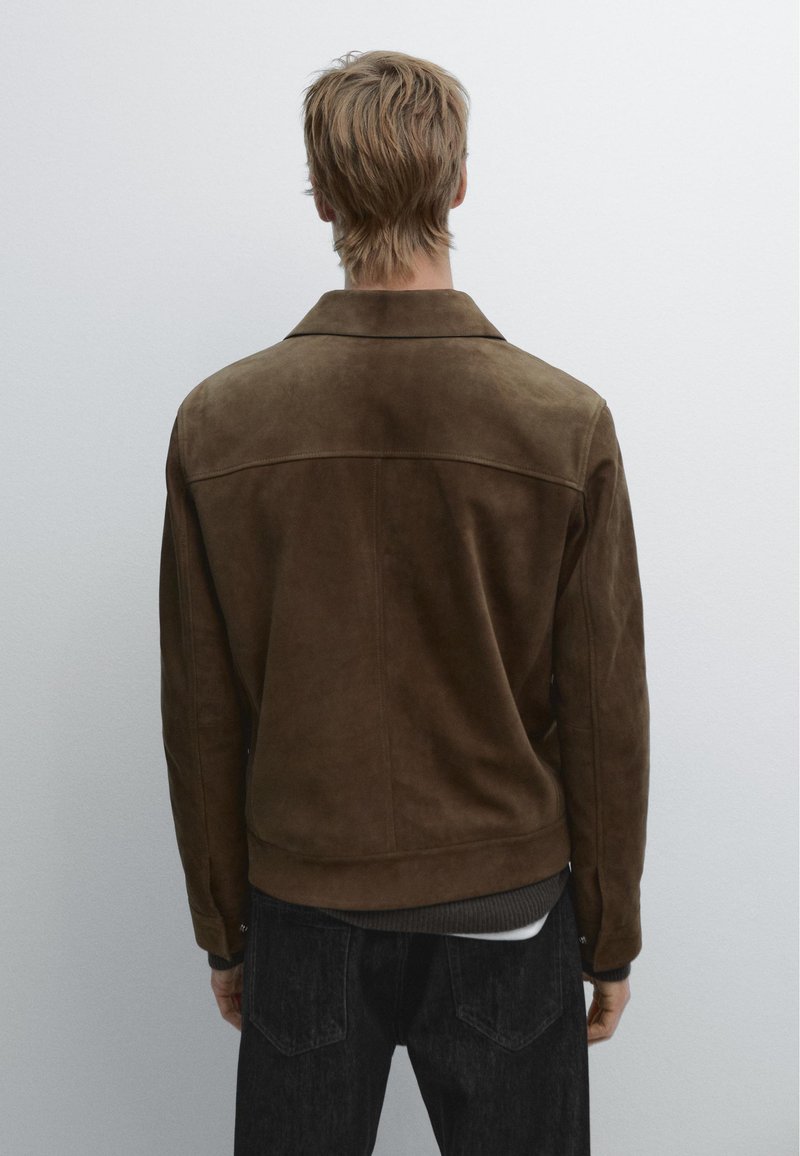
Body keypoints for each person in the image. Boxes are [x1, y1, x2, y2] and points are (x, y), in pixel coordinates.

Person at [159, 48, 650, 1155]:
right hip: (507, 910)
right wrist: (608, 934)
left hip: (304, 907)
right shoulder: (561, 422)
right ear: (458, 185)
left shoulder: (220, 423)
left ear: (322, 198)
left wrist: (223, 924)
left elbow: (201, 706)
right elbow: (604, 708)